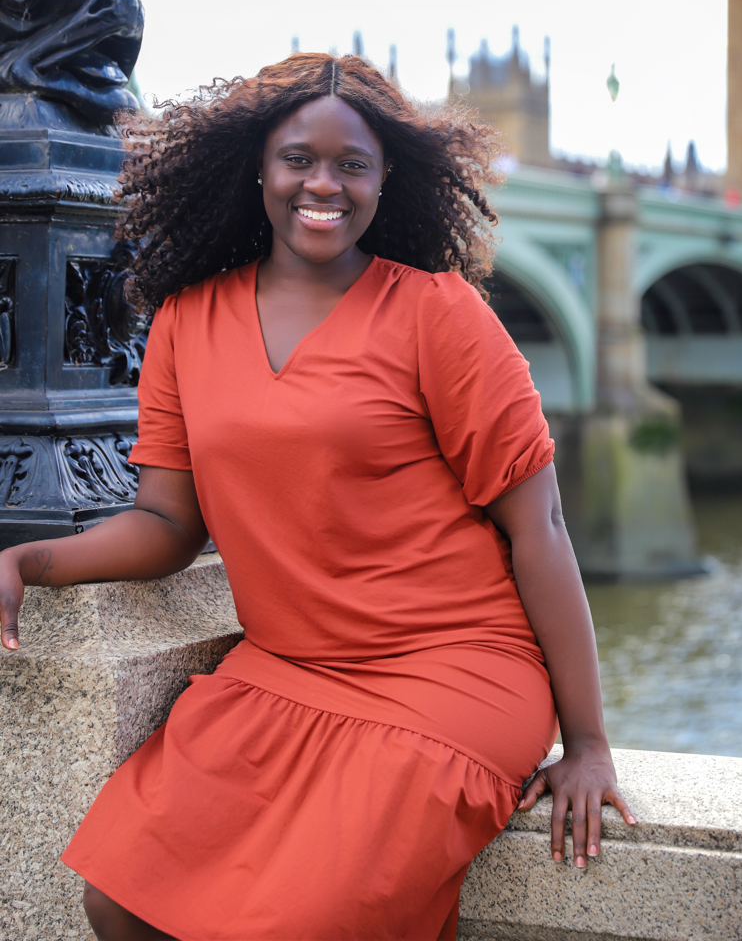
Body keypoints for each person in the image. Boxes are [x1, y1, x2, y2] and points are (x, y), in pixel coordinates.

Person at [0, 53, 634, 941]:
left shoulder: (438, 314)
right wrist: (29, 560)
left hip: (451, 673)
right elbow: (166, 524)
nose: (322, 183)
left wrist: (589, 743)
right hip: (287, 670)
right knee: (120, 894)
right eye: (298, 158)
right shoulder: (185, 318)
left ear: (385, 181)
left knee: (302, 922)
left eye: (352, 165)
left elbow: (542, 530)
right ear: (257, 166)